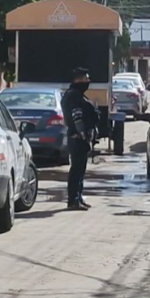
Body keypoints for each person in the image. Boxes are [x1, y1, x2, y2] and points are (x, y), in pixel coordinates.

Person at [60, 67, 98, 211]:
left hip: (80, 137)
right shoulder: (73, 96)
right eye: (85, 79)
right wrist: (82, 133)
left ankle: (78, 197)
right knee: (76, 170)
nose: (88, 81)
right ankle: (73, 200)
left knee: (80, 169)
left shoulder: (77, 94)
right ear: (78, 80)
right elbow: (77, 116)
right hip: (77, 138)